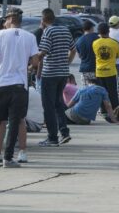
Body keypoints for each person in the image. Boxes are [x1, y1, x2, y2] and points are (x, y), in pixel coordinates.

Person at [0, 8, 40, 168]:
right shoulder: (30, 37)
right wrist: (25, 68)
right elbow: (35, 62)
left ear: (10, 19)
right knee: (15, 122)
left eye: (5, 20)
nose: (4, 23)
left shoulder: (0, 35)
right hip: (19, 86)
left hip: (1, 83)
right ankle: (8, 159)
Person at [38, 8, 75, 147]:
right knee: (59, 103)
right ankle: (64, 132)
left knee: (48, 106)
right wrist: (67, 62)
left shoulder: (48, 31)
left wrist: (32, 63)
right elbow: (73, 49)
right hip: (63, 73)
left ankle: (52, 137)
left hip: (50, 73)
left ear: (43, 20)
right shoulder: (65, 30)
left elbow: (44, 51)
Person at [92, 22, 119, 111]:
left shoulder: (95, 43)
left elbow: (96, 54)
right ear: (108, 31)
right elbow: (117, 56)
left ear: (99, 32)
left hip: (99, 72)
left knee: (101, 93)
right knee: (113, 93)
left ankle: (104, 111)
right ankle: (116, 110)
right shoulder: (115, 43)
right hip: (111, 71)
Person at [75, 20, 97, 84]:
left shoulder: (79, 41)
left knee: (87, 88)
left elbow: (79, 56)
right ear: (91, 28)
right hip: (96, 68)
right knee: (97, 88)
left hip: (85, 69)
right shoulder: (97, 38)